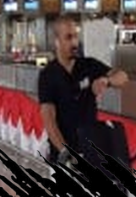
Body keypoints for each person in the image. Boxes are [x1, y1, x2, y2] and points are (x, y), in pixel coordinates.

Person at [38, 16, 129, 167]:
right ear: (57, 41)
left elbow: (123, 77)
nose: (74, 42)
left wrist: (107, 81)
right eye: (68, 37)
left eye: (76, 36)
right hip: (63, 155)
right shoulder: (48, 75)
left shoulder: (89, 65)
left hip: (90, 151)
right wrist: (65, 152)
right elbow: (49, 119)